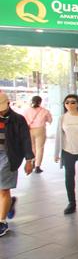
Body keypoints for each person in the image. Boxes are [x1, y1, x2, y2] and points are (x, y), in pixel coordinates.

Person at [0, 92, 34, 237]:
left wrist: (29, 160)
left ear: (8, 103)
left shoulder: (18, 119)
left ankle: (2, 222)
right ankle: (8, 204)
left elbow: (26, 140)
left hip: (9, 156)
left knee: (3, 189)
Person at [22, 95, 52, 173]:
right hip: (40, 130)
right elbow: (50, 120)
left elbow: (23, 121)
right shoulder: (44, 111)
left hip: (29, 130)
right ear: (40, 102)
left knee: (32, 148)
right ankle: (38, 166)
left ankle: (32, 163)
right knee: (40, 148)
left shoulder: (27, 111)